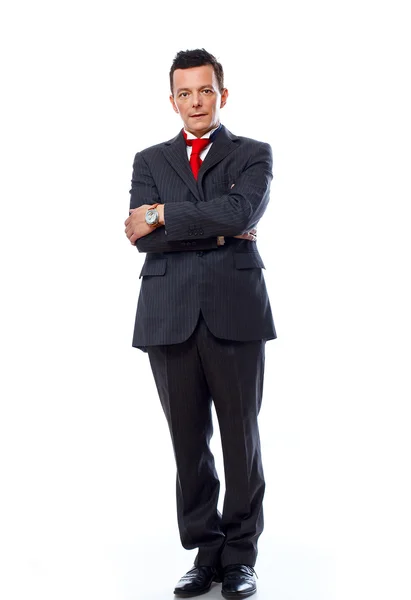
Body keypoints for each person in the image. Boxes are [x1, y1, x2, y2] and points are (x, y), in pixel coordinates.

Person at [124, 48, 276, 599]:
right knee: (187, 445)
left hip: (235, 310)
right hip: (168, 315)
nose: (195, 102)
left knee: (241, 441)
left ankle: (240, 557)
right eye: (184, 93)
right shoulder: (149, 161)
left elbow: (242, 213)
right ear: (172, 100)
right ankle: (205, 553)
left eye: (205, 90)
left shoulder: (253, 154)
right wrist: (213, 227)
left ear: (223, 94)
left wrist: (164, 213)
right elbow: (143, 235)